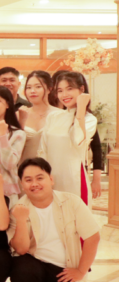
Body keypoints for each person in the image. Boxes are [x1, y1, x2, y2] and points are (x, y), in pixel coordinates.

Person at [9, 158, 100, 282]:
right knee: (22, 269)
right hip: (35, 262)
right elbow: (21, 249)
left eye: (40, 178)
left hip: (63, 268)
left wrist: (80, 271)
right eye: (28, 180)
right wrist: (21, 220)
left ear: (51, 179)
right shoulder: (19, 208)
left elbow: (93, 237)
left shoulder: (71, 202)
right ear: (22, 184)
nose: (34, 184)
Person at [41, 72, 96, 203]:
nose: (64, 95)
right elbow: (42, 149)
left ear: (82, 89)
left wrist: (81, 108)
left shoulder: (89, 119)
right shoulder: (53, 117)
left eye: (69, 89)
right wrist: (42, 175)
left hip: (74, 178)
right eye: (60, 91)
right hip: (51, 177)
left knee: (74, 212)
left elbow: (78, 140)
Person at [19, 71, 62, 162]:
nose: (32, 91)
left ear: (49, 89)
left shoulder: (60, 115)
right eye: (29, 87)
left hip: (52, 166)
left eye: (38, 87)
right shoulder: (20, 114)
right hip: (25, 167)